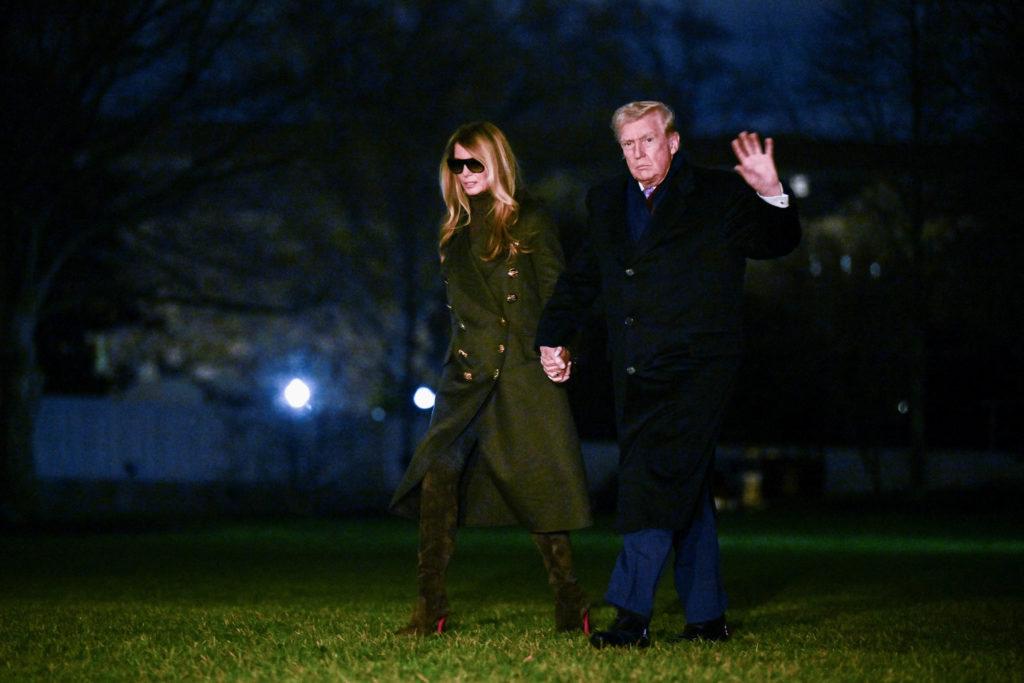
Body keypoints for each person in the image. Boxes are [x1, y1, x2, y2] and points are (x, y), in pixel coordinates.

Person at [536, 101, 801, 648]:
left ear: (673, 142)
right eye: (628, 144)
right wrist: (552, 336)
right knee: (685, 482)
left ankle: (631, 616)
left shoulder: (717, 192)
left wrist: (771, 191)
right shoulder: (606, 200)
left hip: (698, 366)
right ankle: (706, 618)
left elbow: (775, 242)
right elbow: (584, 278)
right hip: (634, 367)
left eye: (648, 140)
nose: (638, 153)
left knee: (654, 479)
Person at [389, 121, 593, 636]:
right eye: (456, 164)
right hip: (464, 379)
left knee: (538, 493)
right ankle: (429, 607)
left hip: (520, 374)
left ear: (496, 163)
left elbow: (560, 295)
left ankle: (571, 600)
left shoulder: (530, 220)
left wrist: (563, 348)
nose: (464, 173)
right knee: (437, 480)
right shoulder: (454, 231)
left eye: (474, 163)